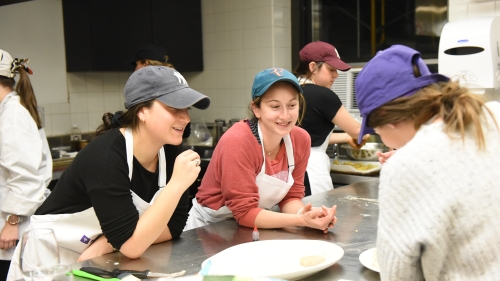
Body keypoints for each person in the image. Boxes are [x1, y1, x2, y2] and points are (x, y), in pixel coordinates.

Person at [7, 66, 210, 280]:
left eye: (187, 108)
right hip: (51, 258)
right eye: (174, 108)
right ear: (142, 110)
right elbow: (131, 247)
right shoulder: (105, 157)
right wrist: (176, 186)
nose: (186, 118)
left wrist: (109, 242)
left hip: (98, 260)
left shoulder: (172, 154)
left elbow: (174, 226)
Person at [355, 45, 500, 280]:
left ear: (386, 119)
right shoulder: (493, 114)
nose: (384, 140)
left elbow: (399, 275)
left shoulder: (404, 167)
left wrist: (407, 164)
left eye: (376, 130)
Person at [184, 68, 337, 232]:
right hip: (208, 229)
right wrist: (300, 220)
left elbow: (291, 196)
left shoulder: (300, 140)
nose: (285, 116)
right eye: (275, 106)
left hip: (255, 225)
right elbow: (244, 212)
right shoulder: (238, 142)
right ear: (256, 109)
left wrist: (306, 214)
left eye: (292, 105)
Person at [0, 49, 52, 281]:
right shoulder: (10, 111)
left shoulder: (12, 116)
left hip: (13, 227)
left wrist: (12, 221)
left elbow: (27, 177)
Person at [294, 41, 369, 195]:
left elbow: (308, 138)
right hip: (310, 170)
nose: (336, 75)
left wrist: (346, 138)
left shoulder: (291, 91)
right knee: (318, 213)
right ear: (313, 67)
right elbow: (359, 131)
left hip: (288, 168)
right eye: (331, 69)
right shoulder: (322, 95)